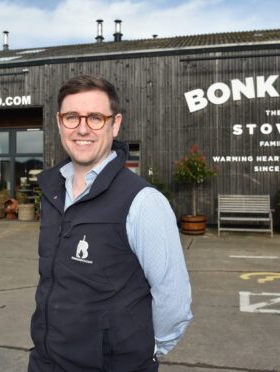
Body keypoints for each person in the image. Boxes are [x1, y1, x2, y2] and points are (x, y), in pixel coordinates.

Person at [28, 75, 192, 372]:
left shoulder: (143, 202)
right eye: (72, 117)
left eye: (95, 118)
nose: (82, 128)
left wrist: (146, 351)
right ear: (58, 122)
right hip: (45, 362)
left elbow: (173, 297)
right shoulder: (53, 193)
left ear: (115, 124)